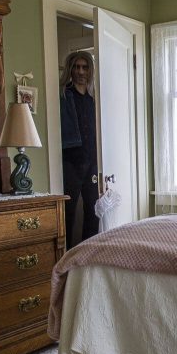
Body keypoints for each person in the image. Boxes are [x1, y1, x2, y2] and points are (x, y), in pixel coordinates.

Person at [59, 50, 99, 247]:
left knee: (94, 210)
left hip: (93, 161)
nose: (80, 71)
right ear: (71, 69)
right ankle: (67, 256)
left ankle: (87, 252)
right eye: (76, 67)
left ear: (90, 70)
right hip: (71, 161)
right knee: (68, 211)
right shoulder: (64, 96)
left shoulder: (94, 100)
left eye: (84, 67)